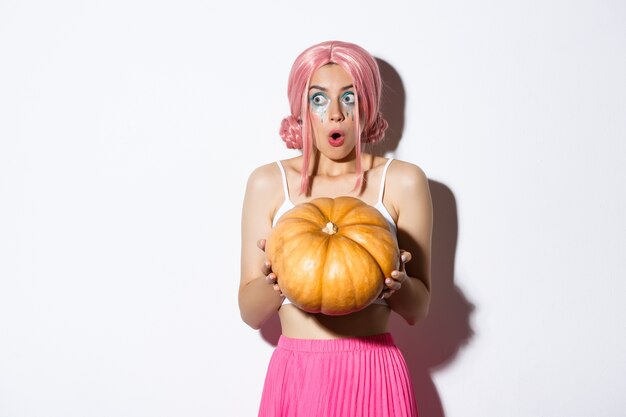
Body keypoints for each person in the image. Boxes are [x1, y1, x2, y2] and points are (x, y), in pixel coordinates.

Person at [239, 40, 433, 417]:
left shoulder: (403, 182)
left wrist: (398, 283)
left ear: (368, 105)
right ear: (300, 109)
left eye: (350, 98)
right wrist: (273, 280)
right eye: (318, 99)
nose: (335, 115)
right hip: (297, 376)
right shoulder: (268, 182)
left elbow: (418, 309)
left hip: (374, 372)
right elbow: (250, 313)